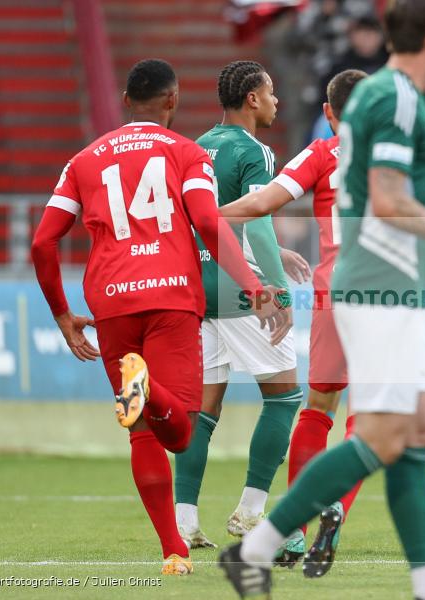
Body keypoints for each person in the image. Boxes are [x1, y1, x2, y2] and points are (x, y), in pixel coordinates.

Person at [219, 1, 425, 597]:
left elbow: (407, 193)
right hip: (375, 286)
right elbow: (394, 203)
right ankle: (260, 548)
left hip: (379, 285)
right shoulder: (396, 101)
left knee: (412, 431)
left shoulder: (385, 103)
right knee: (384, 433)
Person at [30, 59, 283, 575]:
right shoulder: (186, 153)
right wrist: (254, 287)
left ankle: (174, 549)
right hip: (170, 297)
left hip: (111, 303)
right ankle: (149, 389)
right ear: (172, 101)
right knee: (181, 432)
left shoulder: (82, 161)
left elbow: (42, 242)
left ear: (126, 99)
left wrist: (62, 314)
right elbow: (209, 223)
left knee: (141, 432)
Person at [213, 68, 369, 564]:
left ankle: (296, 528)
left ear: (328, 114)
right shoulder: (404, 153)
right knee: (369, 421)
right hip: (388, 295)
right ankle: (334, 510)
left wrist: (208, 217)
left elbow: (265, 201)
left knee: (318, 407)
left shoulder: (322, 152)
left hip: (333, 291)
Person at [173, 61, 304, 552]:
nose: (276, 103)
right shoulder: (255, 151)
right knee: (285, 397)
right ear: (252, 98)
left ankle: (184, 522)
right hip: (237, 289)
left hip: (195, 288)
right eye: (271, 94)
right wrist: (276, 290)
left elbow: (207, 219)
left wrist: (278, 254)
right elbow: (259, 220)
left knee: (203, 409)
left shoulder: (195, 146)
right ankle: (250, 512)